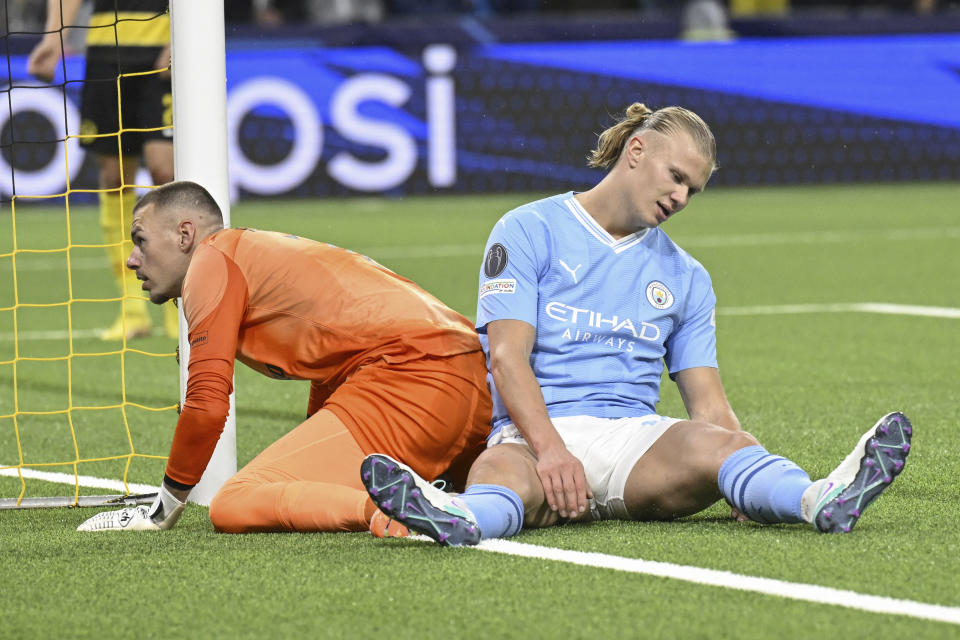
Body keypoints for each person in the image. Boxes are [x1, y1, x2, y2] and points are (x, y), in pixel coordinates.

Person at [361, 103, 913, 546]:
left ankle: (814, 499)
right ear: (636, 149)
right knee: (497, 474)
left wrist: (747, 480)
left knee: (720, 446)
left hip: (633, 443)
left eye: (692, 190)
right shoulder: (527, 229)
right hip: (533, 437)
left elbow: (710, 406)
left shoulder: (687, 275)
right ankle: (456, 515)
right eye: (675, 178)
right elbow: (507, 358)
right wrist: (552, 451)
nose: (680, 197)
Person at [75, 181, 491, 534]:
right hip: (472, 375)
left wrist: (164, 507)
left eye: (140, 241)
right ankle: (446, 494)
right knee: (493, 489)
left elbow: (206, 404)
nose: (131, 260)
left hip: (416, 376)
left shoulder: (211, 262)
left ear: (185, 234)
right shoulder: (255, 252)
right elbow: (333, 363)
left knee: (233, 503)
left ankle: (386, 514)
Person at [28, 0, 178, 340]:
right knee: (113, 178)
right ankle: (131, 309)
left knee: (164, 174)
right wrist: (53, 39)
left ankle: (177, 306)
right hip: (105, 55)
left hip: (163, 51)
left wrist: (183, 39)